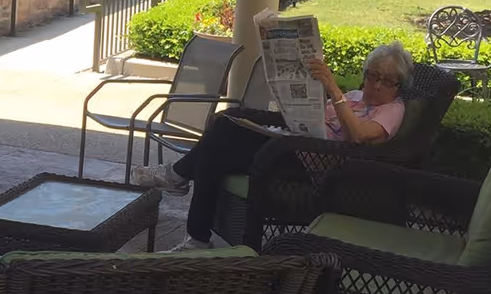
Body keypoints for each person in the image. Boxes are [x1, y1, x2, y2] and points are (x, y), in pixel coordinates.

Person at [131, 41, 414, 250]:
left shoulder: (392, 110)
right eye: (373, 75)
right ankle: (196, 231)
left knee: (218, 144)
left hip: (314, 165)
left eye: (388, 81)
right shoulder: (354, 96)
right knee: (223, 130)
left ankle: (180, 180)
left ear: (398, 87)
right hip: (291, 146)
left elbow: (359, 136)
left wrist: (332, 88)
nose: (377, 85)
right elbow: (311, 117)